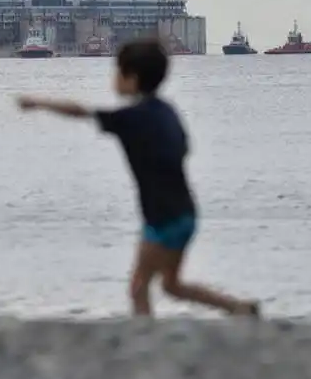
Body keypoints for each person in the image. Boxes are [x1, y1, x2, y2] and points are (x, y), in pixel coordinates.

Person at [16, 38, 260, 318]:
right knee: (171, 284)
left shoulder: (131, 118)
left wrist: (38, 104)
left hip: (162, 217)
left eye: (116, 71)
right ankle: (238, 308)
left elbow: (81, 112)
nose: (113, 78)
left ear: (131, 79)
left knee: (138, 286)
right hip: (185, 213)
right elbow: (184, 148)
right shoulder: (167, 112)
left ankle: (145, 334)